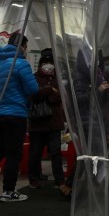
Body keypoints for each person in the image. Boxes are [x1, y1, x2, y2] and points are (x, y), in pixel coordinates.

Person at [0, 32, 39, 202]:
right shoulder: (21, 64)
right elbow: (33, 89)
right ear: (21, 46)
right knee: (14, 153)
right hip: (15, 114)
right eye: (26, 47)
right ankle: (9, 191)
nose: (26, 51)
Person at [28, 48, 69, 196]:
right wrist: (50, 90)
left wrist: (47, 92)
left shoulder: (59, 78)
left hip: (54, 122)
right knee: (35, 152)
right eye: (45, 62)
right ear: (40, 64)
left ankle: (60, 181)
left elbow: (59, 97)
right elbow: (33, 94)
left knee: (56, 153)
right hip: (37, 122)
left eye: (51, 62)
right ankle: (34, 179)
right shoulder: (33, 77)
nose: (48, 65)